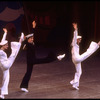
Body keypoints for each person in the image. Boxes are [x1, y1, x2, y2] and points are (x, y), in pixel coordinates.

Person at [20, 19, 65, 92]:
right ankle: (57, 57)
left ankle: (23, 86)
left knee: (28, 73)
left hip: (31, 60)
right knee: (45, 60)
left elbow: (32, 34)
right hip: (32, 60)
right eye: (31, 39)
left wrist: (33, 27)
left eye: (32, 38)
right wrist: (24, 38)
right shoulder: (27, 44)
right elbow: (27, 38)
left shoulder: (31, 43)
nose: (32, 39)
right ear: (28, 39)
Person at [70, 23, 100, 90]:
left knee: (79, 71)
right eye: (79, 39)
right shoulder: (74, 43)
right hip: (77, 58)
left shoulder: (76, 45)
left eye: (80, 39)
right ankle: (98, 44)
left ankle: (75, 84)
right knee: (87, 53)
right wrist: (76, 29)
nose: (80, 40)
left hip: (75, 60)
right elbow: (74, 37)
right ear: (77, 40)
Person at [0, 28, 24, 99]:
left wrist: (5, 33)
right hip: (6, 64)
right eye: (6, 45)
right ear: (3, 46)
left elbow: (2, 40)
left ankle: (2, 91)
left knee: (5, 77)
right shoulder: (0, 52)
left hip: (2, 66)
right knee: (14, 53)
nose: (7, 46)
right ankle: (20, 41)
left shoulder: (1, 49)